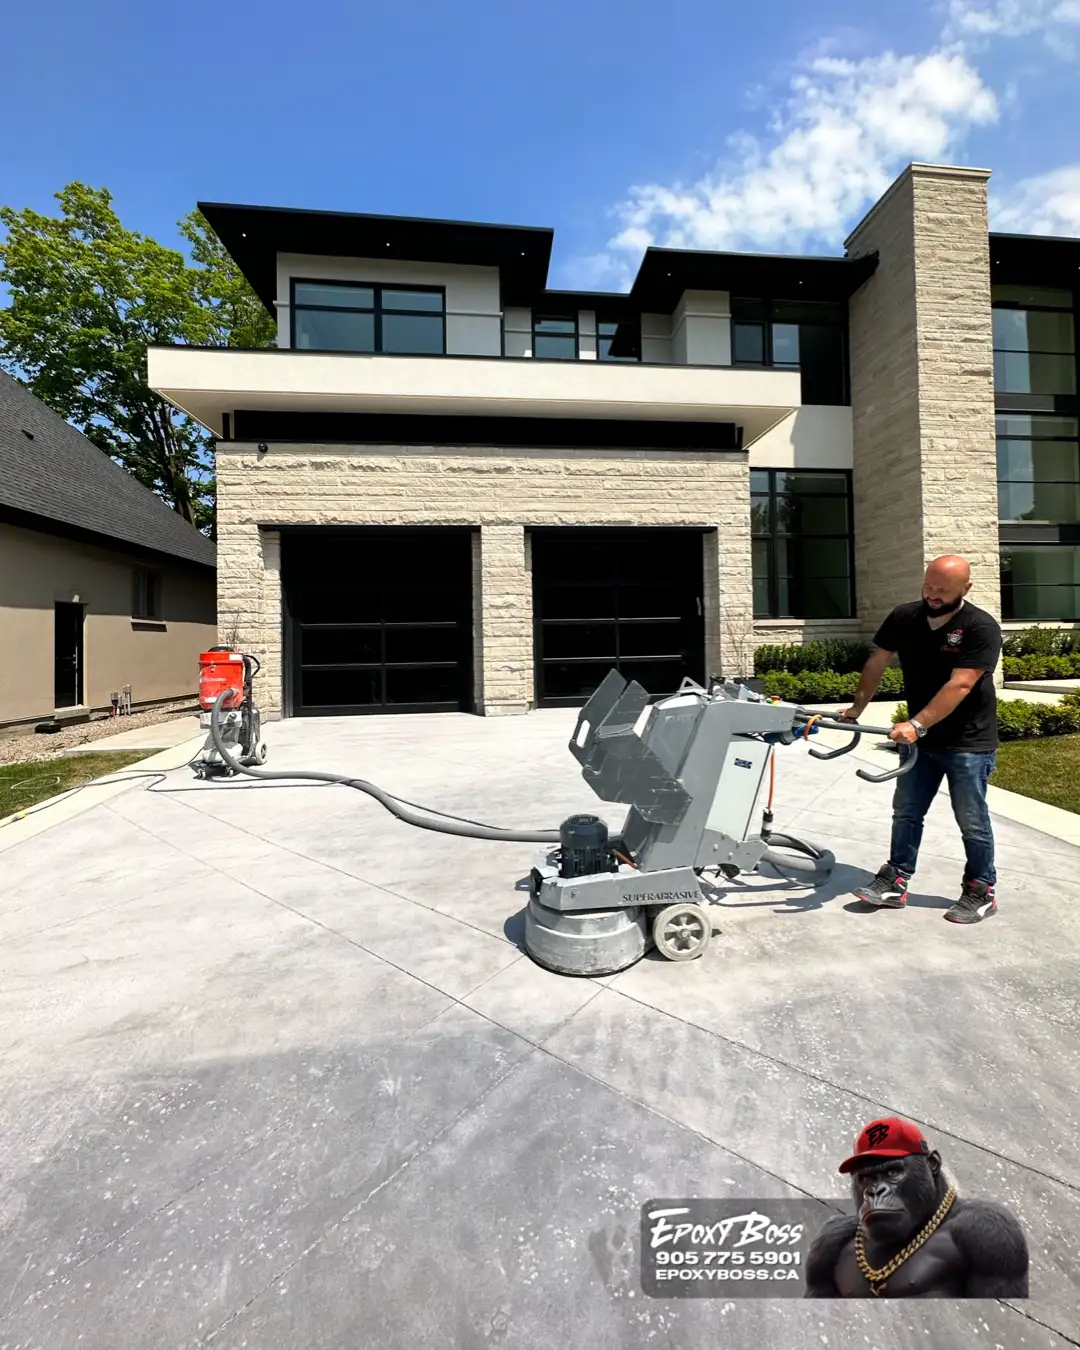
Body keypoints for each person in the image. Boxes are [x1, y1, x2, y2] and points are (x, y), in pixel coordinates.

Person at [838, 556, 1003, 925]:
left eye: (942, 590)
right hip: (921, 742)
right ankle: (895, 880)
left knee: (972, 820)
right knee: (907, 812)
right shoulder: (905, 616)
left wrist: (916, 724)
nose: (932, 595)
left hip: (968, 742)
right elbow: (878, 661)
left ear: (966, 588)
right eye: (928, 586)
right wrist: (857, 707)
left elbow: (961, 684)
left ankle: (981, 890)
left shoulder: (980, 627)